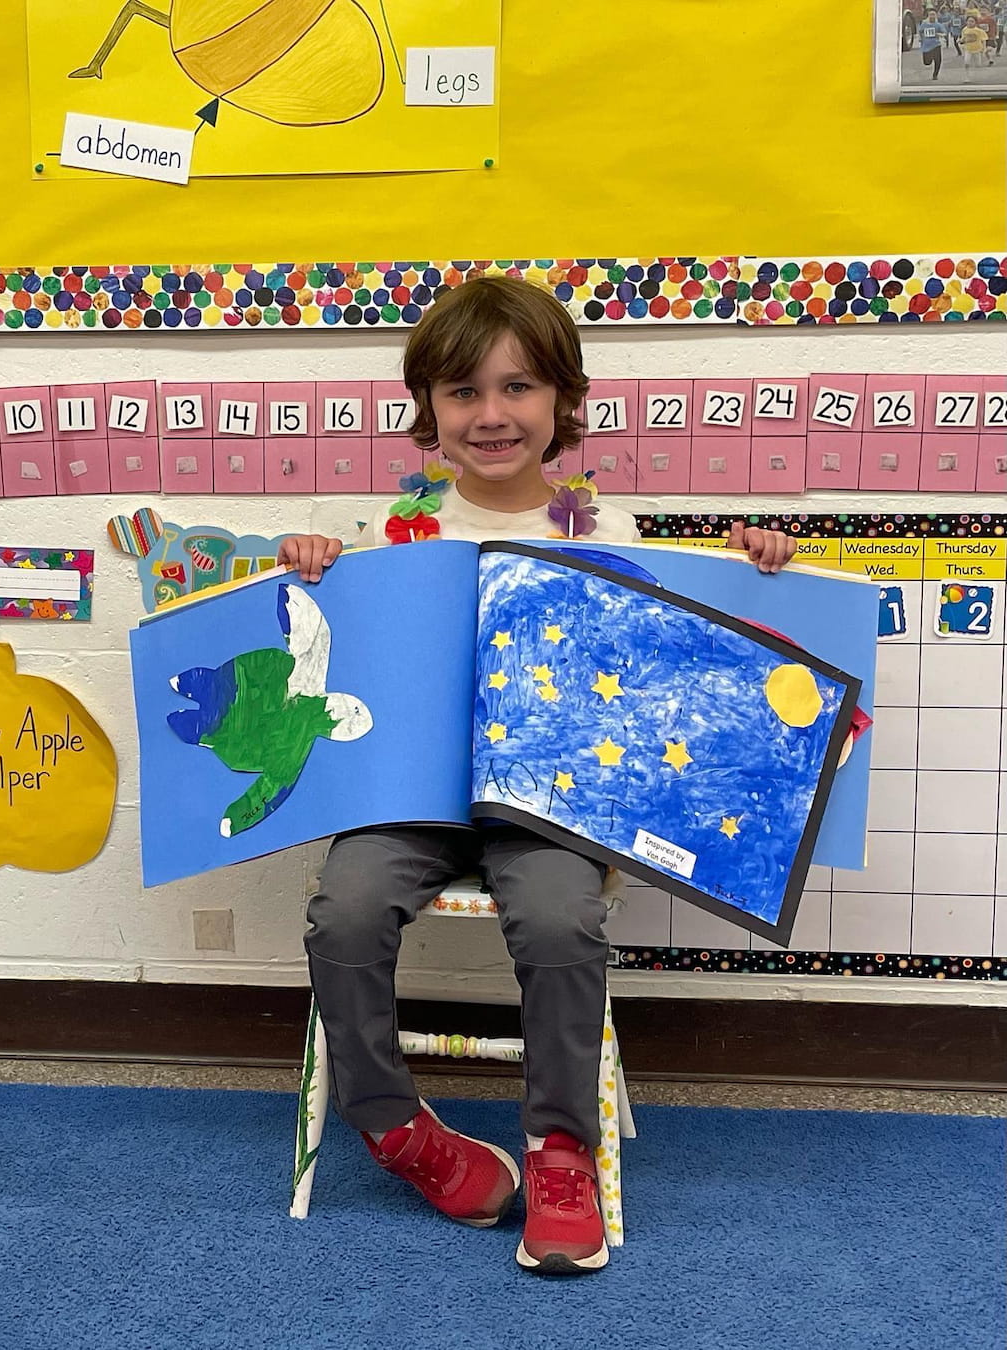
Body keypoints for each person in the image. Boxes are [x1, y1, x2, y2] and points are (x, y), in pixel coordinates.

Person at [278, 276, 797, 1276]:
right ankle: (392, 1122)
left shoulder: (612, 533)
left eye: (517, 388)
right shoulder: (386, 535)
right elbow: (339, 649)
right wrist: (312, 562)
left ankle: (561, 1150)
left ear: (566, 403)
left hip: (549, 807)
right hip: (416, 800)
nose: (491, 414)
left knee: (562, 922)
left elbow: (671, 665)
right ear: (428, 410)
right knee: (343, 910)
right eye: (463, 392)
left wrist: (750, 565)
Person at [917, 8, 948, 78]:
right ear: (928, 16)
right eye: (930, 14)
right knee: (927, 62)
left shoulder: (938, 25)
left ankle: (935, 75)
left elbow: (945, 33)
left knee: (938, 60)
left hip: (936, 44)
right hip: (926, 45)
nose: (932, 16)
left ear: (936, 16)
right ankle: (930, 58)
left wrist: (940, 34)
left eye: (933, 14)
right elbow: (920, 31)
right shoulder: (924, 24)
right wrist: (921, 38)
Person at [960, 12, 988, 76]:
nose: (970, 23)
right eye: (968, 21)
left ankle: (978, 74)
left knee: (978, 65)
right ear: (966, 22)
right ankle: (967, 75)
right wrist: (960, 41)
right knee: (966, 62)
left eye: (972, 21)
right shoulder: (964, 30)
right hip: (968, 49)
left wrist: (984, 48)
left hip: (977, 49)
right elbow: (963, 38)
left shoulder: (979, 31)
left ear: (975, 22)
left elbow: (984, 39)